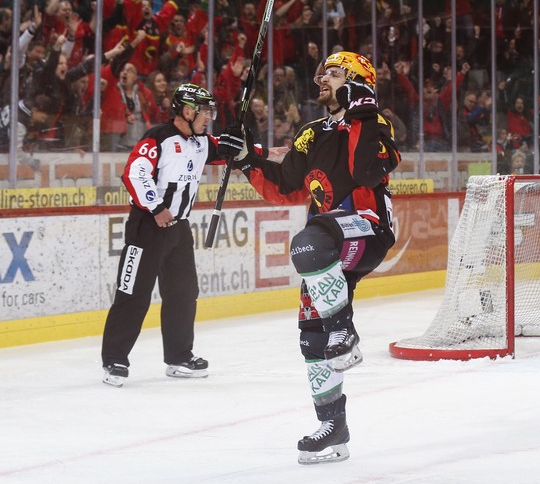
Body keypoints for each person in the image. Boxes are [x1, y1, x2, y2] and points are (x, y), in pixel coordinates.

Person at [218, 51, 400, 464]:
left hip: (367, 227)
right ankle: (333, 428)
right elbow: (285, 186)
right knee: (310, 334)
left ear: (357, 80)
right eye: (322, 72)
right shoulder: (311, 132)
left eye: (334, 74)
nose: (323, 78)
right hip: (326, 238)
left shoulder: (376, 122)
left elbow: (368, 172)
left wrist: (363, 113)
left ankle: (345, 332)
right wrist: (247, 159)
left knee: (307, 243)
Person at [101, 83, 227, 387]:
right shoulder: (157, 137)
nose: (209, 116)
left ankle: (179, 356)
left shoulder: (200, 142)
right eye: (205, 111)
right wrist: (156, 206)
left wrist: (257, 148)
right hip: (147, 226)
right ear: (186, 110)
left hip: (179, 230)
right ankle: (114, 360)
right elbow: (134, 172)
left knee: (183, 294)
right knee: (133, 294)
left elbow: (231, 151)